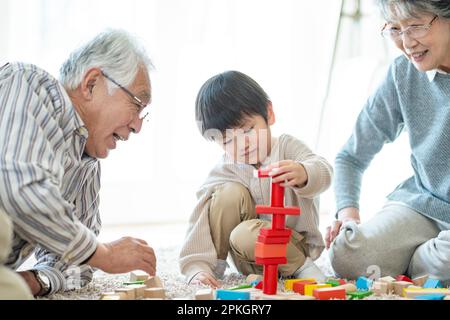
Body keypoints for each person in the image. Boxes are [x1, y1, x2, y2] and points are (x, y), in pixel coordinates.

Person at [0, 29, 156, 298]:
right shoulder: (27, 83)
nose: (138, 126)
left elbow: (79, 268)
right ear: (91, 83)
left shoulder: (87, 164)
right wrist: (103, 253)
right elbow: (20, 190)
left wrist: (35, 280)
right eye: (136, 103)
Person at [326, 0, 450, 283]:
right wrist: (348, 217)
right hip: (421, 205)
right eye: (395, 29)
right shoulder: (402, 74)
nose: (406, 43)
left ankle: (415, 261)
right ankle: (425, 264)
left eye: (415, 26)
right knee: (347, 254)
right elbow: (350, 157)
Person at [179, 71, 333, 287]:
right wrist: (196, 267)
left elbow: (324, 170)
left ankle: (303, 269)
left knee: (245, 234)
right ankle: (216, 266)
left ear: (269, 113)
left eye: (248, 130)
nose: (242, 145)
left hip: (292, 247)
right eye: (227, 141)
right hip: (248, 254)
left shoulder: (287, 147)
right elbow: (202, 216)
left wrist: (304, 172)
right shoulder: (227, 167)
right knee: (225, 194)